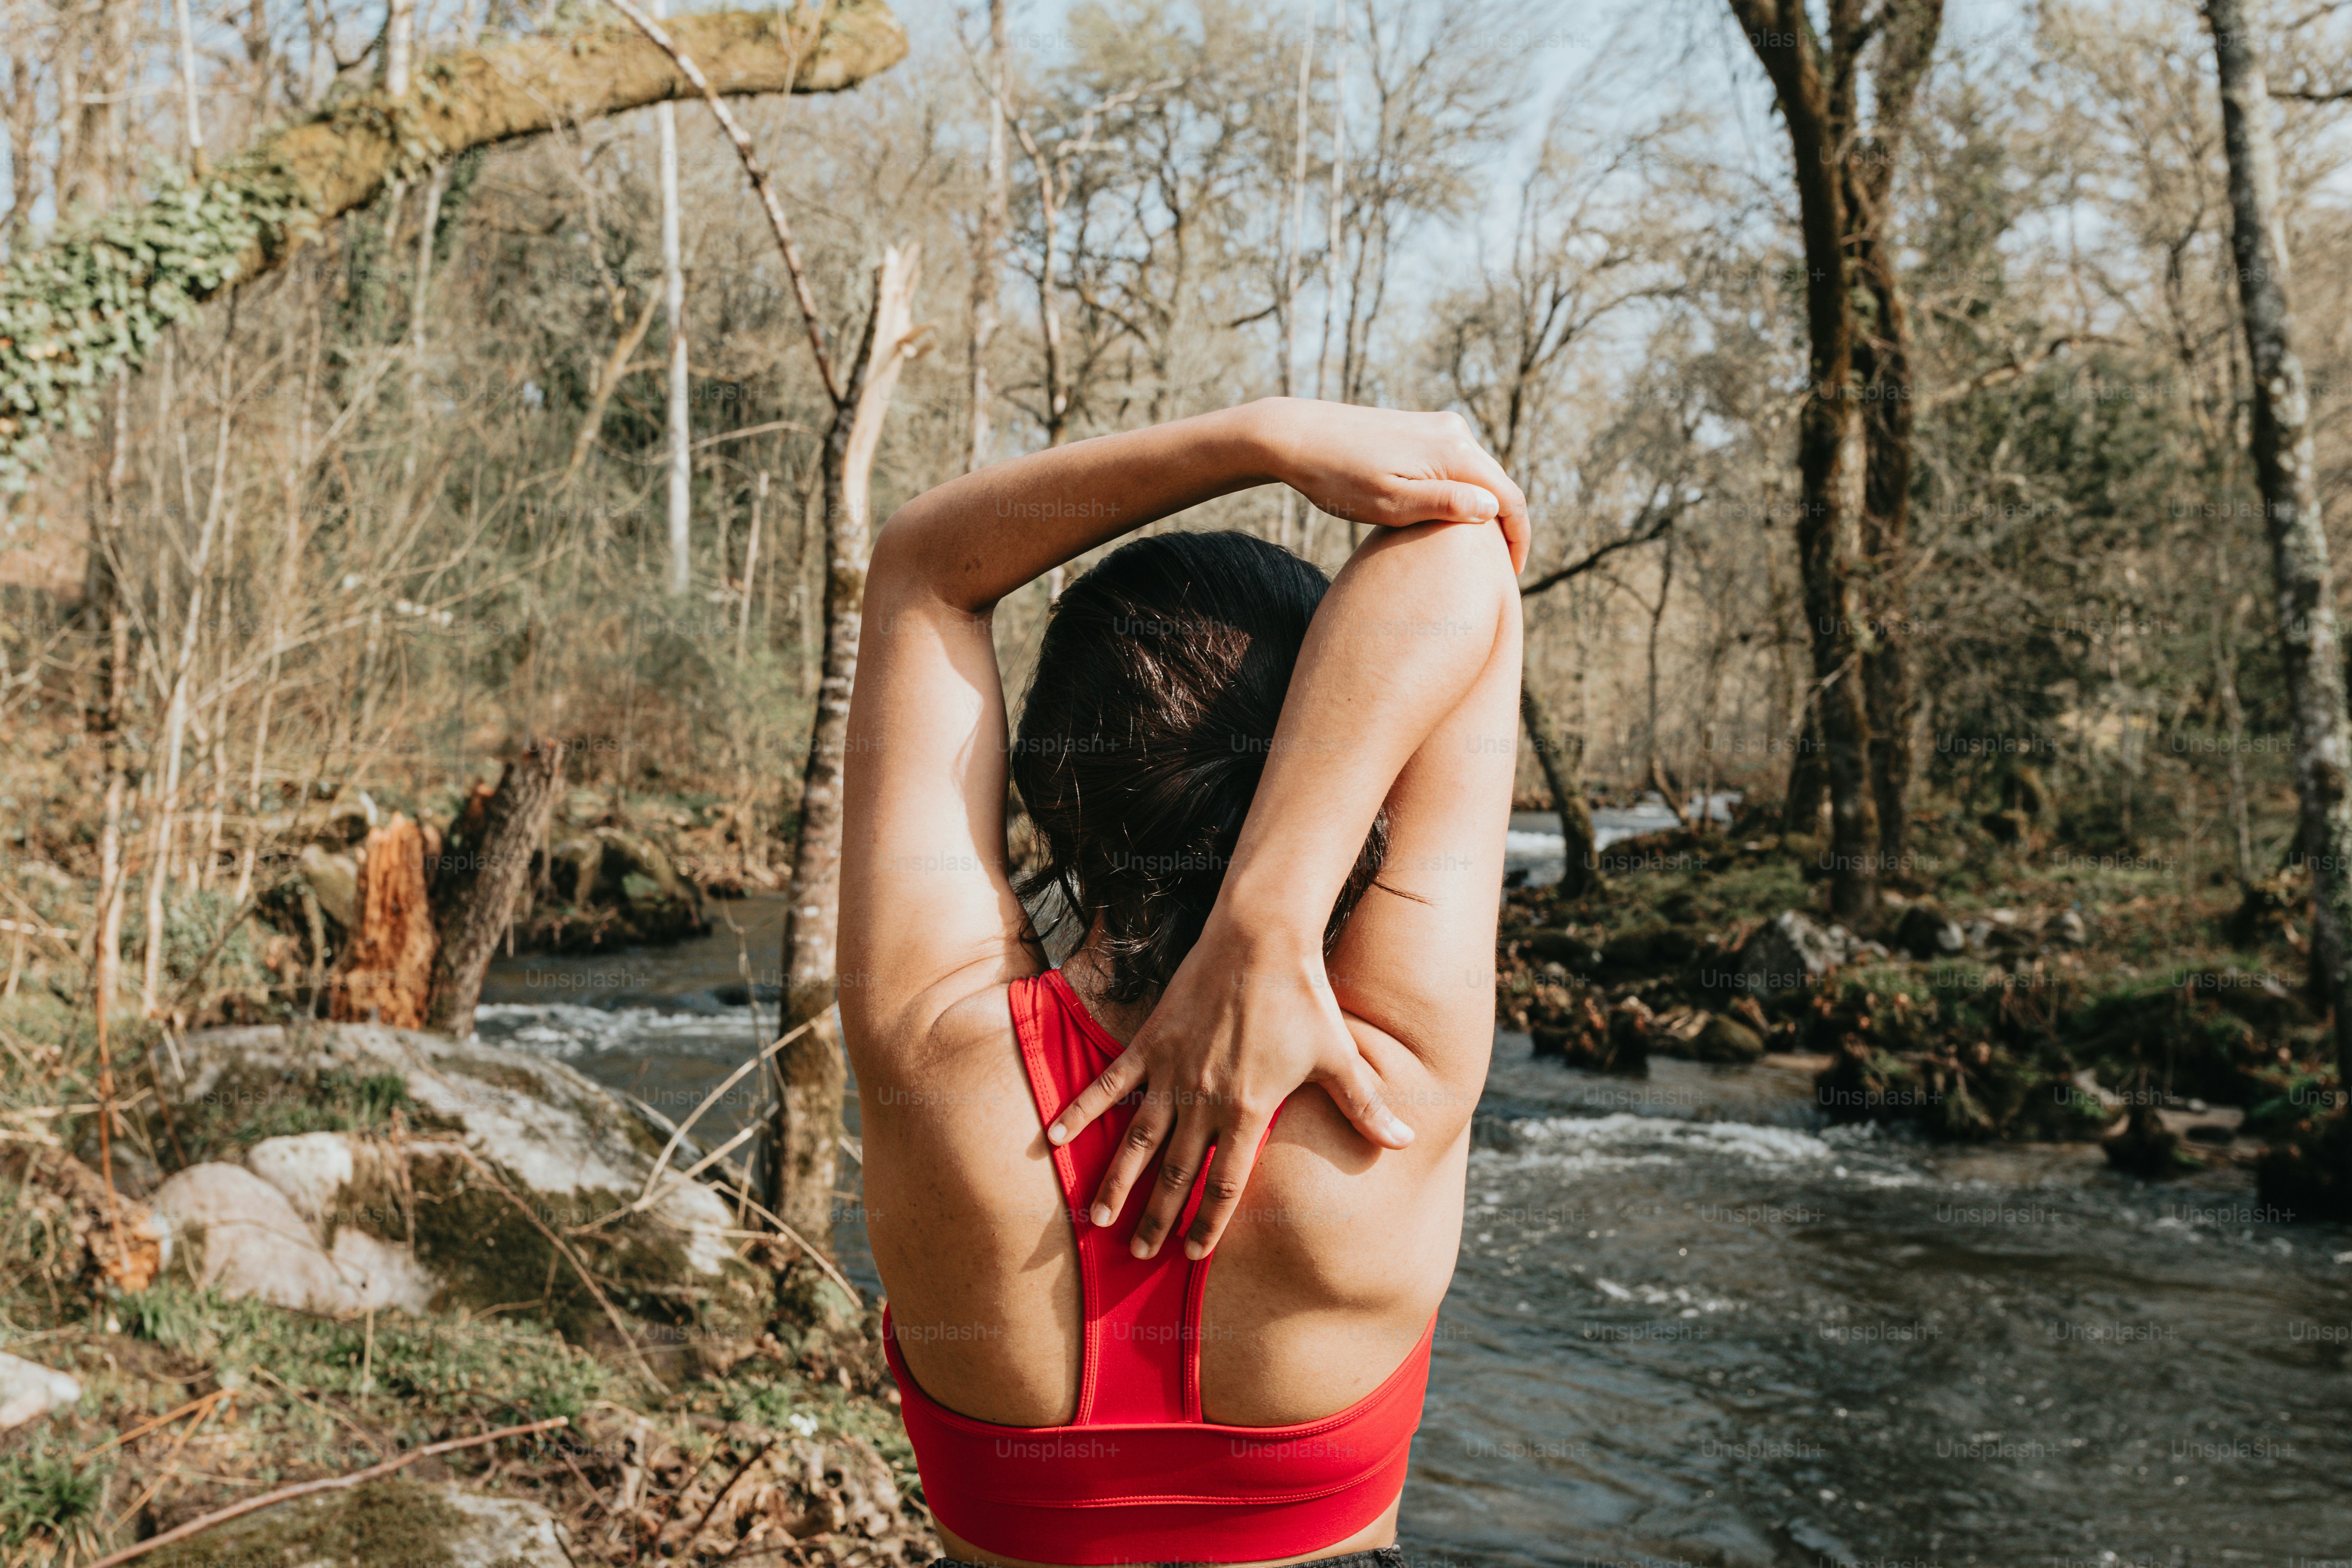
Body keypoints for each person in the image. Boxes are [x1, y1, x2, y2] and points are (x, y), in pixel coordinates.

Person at [838, 398, 1528, 1568]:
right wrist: (1273, 912)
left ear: (1047, 782)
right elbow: (1469, 552)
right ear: (1360, 765)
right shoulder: (1394, 1085)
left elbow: (922, 567)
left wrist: (1254, 439)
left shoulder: (935, 1047)